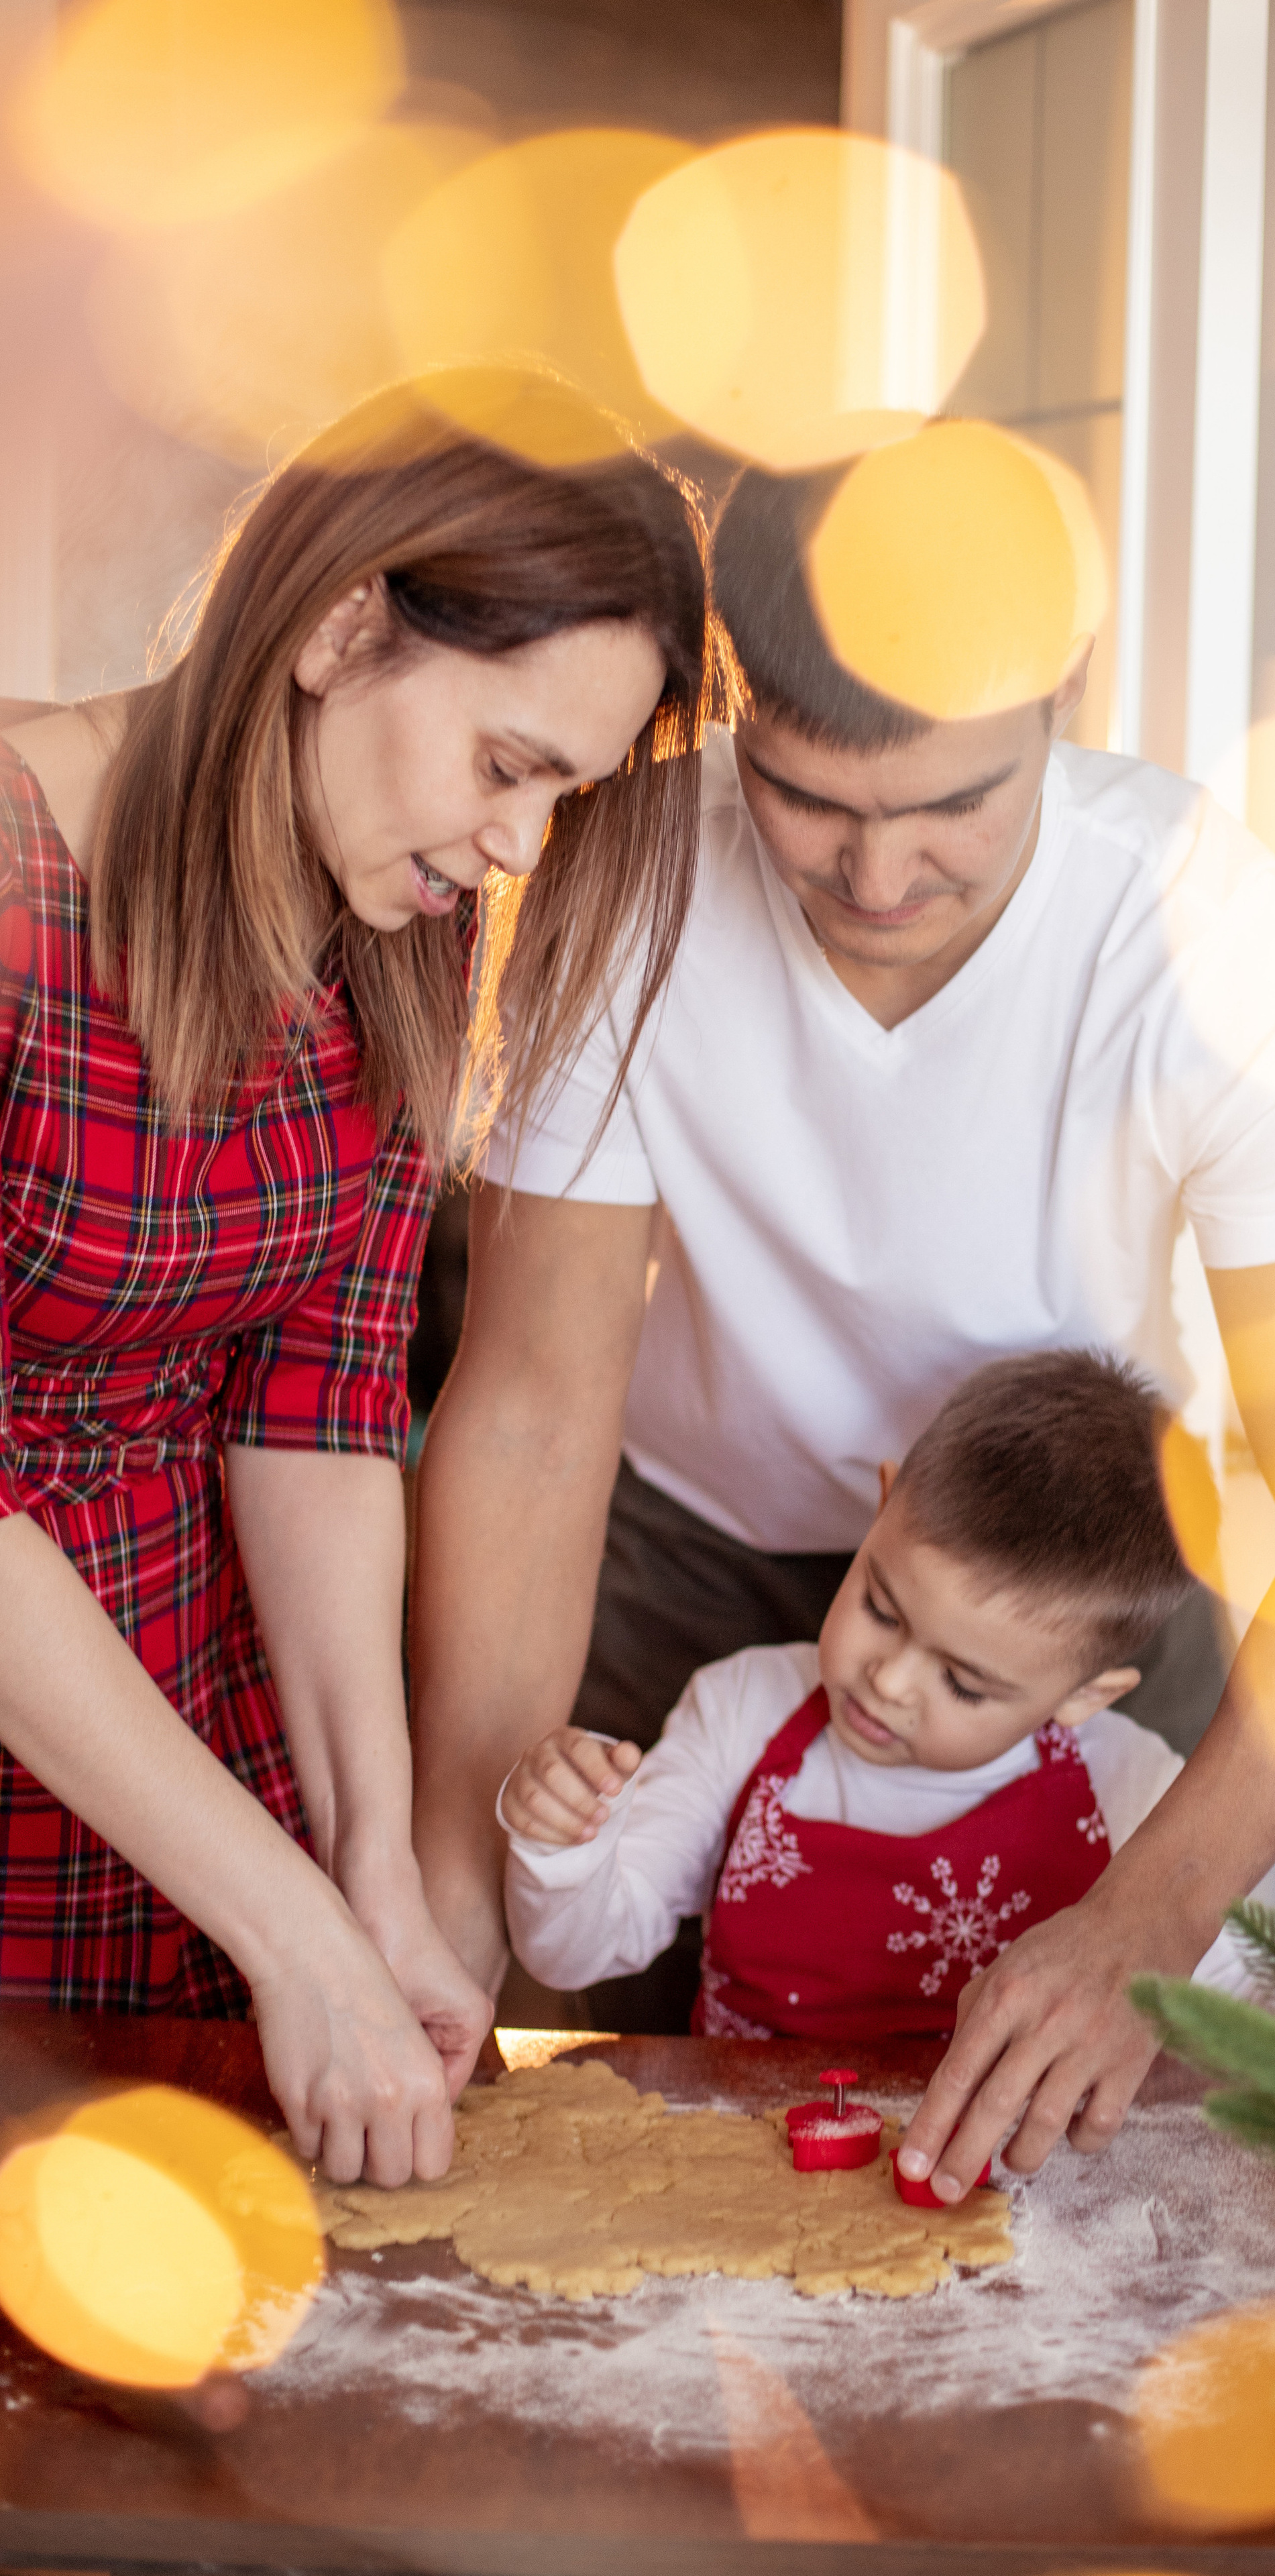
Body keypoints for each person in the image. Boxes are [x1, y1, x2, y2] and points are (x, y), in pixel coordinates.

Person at [410, 439, 1275, 2199]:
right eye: (814, 800)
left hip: (1075, 1585)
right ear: (737, 711)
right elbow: (522, 1410)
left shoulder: (1200, 920)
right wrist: (447, 1890)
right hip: (679, 1561)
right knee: (610, 2156)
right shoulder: (630, 877)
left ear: (1068, 702)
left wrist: (1156, 1903)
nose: (880, 877)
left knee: (1093, 2177)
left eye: (956, 803)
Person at [0, 368, 712, 2186]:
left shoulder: (388, 945)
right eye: (506, 766)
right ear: (336, 626)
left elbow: (314, 1415)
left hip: (188, 1765)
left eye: (560, 793)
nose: (517, 847)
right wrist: (292, 1925)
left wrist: (368, 1869)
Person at [499, 1352, 1250, 2072]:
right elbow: (573, 1956)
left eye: (962, 1683)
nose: (887, 1681)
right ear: (882, 1504)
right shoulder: (740, 1714)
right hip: (743, 2171)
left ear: (1085, 1696)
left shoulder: (1139, 1795)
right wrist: (564, 1847)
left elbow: (1235, 2026)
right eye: (880, 1609)